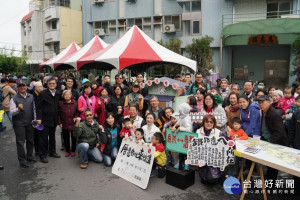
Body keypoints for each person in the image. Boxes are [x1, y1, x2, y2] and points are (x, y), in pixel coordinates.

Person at [257, 95, 288, 181]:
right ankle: (268, 178)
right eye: (259, 103)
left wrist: (271, 140)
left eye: (262, 102)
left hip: (275, 141)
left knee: (273, 163)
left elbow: (279, 132)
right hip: (267, 139)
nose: (260, 104)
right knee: (268, 162)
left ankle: (271, 181)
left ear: (268, 102)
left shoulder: (274, 114)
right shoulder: (264, 111)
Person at [10, 82, 36, 168]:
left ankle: (29, 156)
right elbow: (12, 112)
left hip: (30, 122)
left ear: (26, 87)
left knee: (30, 140)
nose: (22, 88)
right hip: (19, 124)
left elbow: (34, 109)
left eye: (23, 86)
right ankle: (22, 160)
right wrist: (18, 109)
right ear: (17, 88)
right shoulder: (14, 98)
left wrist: (35, 120)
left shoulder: (31, 96)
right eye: (20, 86)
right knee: (20, 142)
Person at [36, 78, 61, 163]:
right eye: (50, 83)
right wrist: (39, 118)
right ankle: (42, 155)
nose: (52, 85)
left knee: (52, 137)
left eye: (53, 83)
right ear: (47, 85)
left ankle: (52, 152)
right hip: (44, 120)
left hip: (54, 119)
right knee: (43, 138)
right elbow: (38, 107)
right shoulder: (43, 93)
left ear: (56, 84)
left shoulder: (58, 93)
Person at [196, 115, 222, 184]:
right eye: (207, 121)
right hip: (202, 157)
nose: (209, 123)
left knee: (212, 179)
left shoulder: (219, 132)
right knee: (204, 180)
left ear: (214, 123)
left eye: (211, 122)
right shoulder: (198, 131)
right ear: (203, 122)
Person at [58, 90, 79, 157]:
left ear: (71, 95)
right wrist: (60, 122)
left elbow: (77, 112)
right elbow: (58, 114)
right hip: (65, 123)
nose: (67, 96)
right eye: (65, 95)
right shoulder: (61, 104)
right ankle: (67, 150)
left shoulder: (75, 102)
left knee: (74, 137)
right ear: (63, 96)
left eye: (68, 95)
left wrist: (76, 117)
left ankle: (73, 150)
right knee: (66, 137)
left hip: (73, 123)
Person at [32, 82, 43, 154]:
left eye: (41, 86)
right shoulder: (33, 95)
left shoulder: (42, 94)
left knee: (41, 134)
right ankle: (37, 150)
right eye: (38, 87)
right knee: (36, 134)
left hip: (42, 117)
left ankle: (42, 148)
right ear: (35, 88)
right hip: (34, 117)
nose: (40, 88)